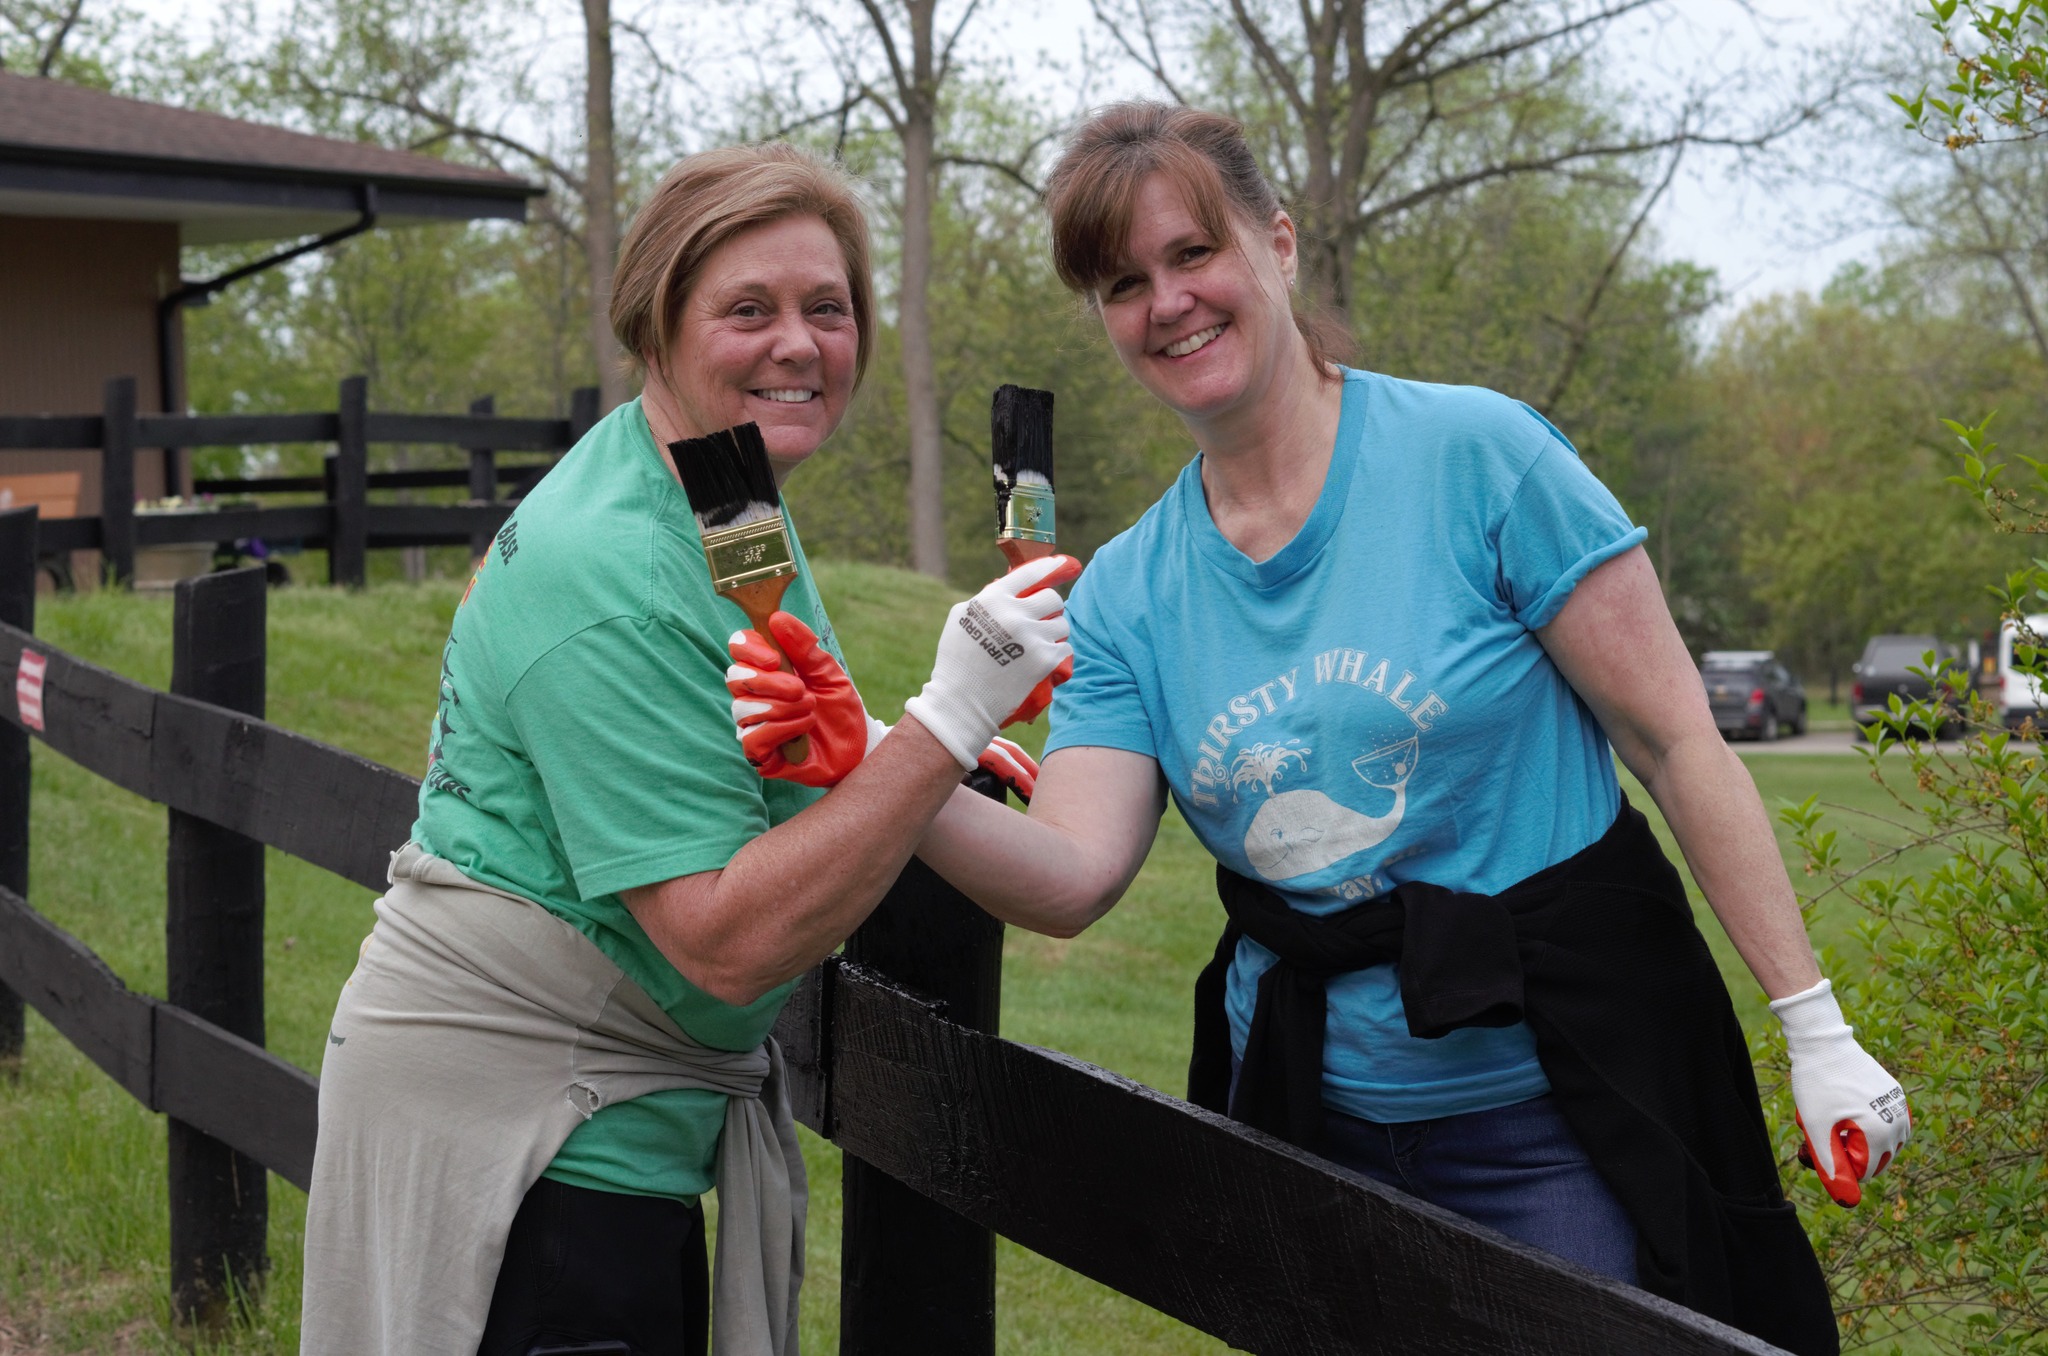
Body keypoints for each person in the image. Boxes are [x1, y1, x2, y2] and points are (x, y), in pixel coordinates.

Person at [738, 105, 1907, 1356]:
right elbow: (1071, 878)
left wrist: (1813, 1028)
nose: (1168, 303)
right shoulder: (1128, 591)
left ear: (1277, 246)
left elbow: (1679, 745)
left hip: (1558, 1111)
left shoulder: (1478, 459)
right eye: (1124, 283)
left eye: (1195, 254)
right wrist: (886, 761)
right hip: (1306, 1126)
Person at [298, 142, 1077, 1356]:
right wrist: (944, 723)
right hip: (534, 1140)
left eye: (829, 308)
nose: (800, 344)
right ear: (654, 327)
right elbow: (721, 941)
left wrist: (874, 752)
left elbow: (754, 728)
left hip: (609, 1116)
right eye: (747, 310)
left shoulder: (724, 489)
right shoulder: (607, 567)